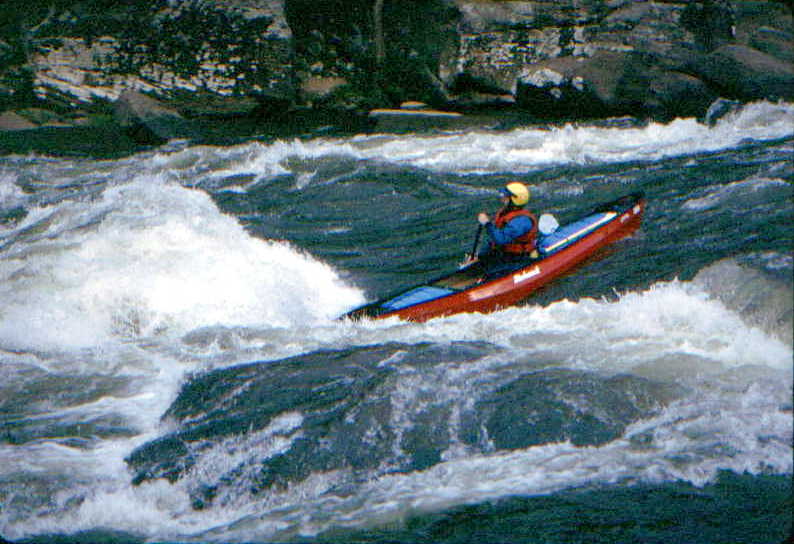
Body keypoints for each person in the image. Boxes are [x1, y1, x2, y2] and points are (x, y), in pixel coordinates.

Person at [463, 182, 538, 275]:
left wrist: (487, 223)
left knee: (491, 271)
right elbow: (494, 239)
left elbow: (501, 239)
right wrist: (478, 256)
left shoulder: (522, 221)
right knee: (481, 262)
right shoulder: (506, 213)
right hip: (505, 253)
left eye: (506, 197)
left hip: (518, 258)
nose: (502, 198)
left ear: (515, 200)